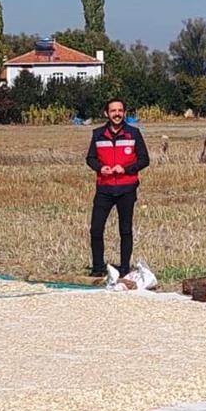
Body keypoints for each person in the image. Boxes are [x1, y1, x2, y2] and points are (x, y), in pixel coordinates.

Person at [85, 98, 150, 277]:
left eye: (120, 110)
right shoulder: (98, 134)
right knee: (96, 229)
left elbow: (144, 159)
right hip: (104, 188)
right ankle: (97, 268)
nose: (117, 114)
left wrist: (126, 169)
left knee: (125, 230)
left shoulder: (134, 134)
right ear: (107, 113)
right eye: (113, 111)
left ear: (125, 113)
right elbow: (90, 158)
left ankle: (124, 269)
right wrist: (100, 168)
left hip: (127, 188)